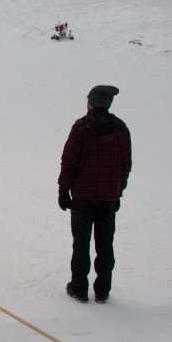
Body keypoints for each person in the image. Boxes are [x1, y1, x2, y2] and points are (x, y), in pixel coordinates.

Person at [58, 85, 132, 304]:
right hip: (108, 198)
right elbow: (125, 164)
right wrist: (118, 191)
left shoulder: (82, 127)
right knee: (105, 243)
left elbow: (70, 160)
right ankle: (103, 289)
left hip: (83, 196)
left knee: (81, 243)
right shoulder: (121, 128)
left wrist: (63, 189)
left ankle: (79, 288)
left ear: (91, 103)